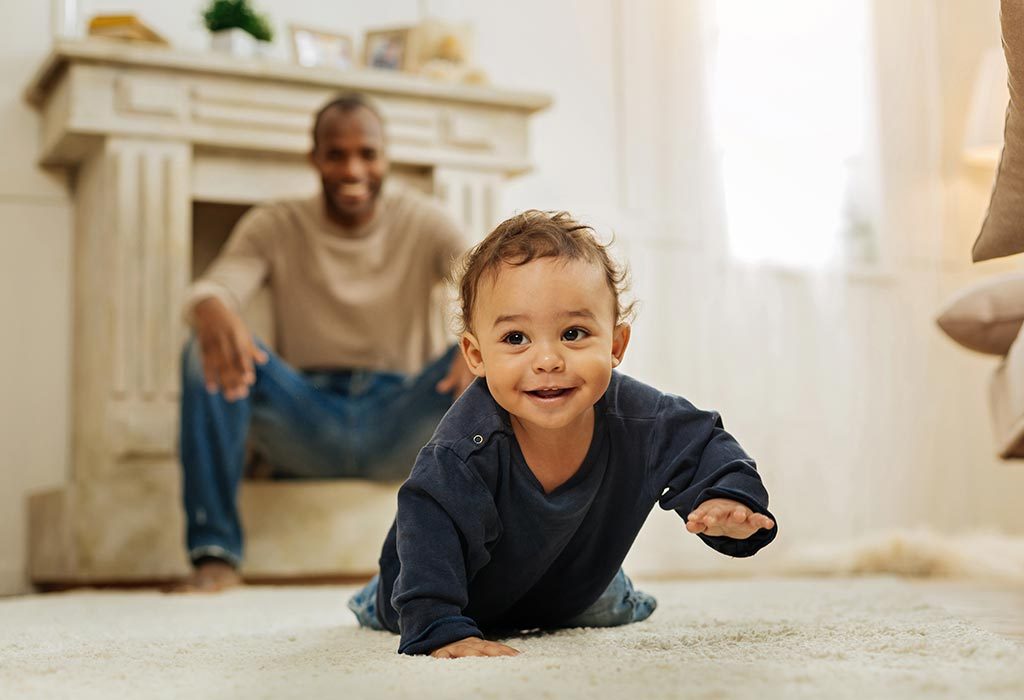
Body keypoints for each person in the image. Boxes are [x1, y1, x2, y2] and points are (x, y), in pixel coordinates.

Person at [347, 210, 778, 657]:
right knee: (400, 598)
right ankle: (375, 596)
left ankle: (609, 591)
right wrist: (438, 626)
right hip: (456, 586)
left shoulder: (644, 421)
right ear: (476, 356)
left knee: (604, 603)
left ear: (615, 345)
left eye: (573, 333)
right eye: (516, 338)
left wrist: (727, 497)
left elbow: (703, 443)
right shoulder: (462, 449)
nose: (548, 360)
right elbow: (428, 521)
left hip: (569, 588)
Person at [177, 93, 474, 592]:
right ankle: (215, 553)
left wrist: (479, 338)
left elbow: (484, 283)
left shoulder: (424, 220)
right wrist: (210, 307)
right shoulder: (275, 222)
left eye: (367, 153)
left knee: (497, 353)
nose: (353, 168)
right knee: (203, 350)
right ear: (314, 158)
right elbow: (218, 285)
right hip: (306, 418)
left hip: (400, 420)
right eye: (336, 154)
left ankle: (497, 551)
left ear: (386, 158)